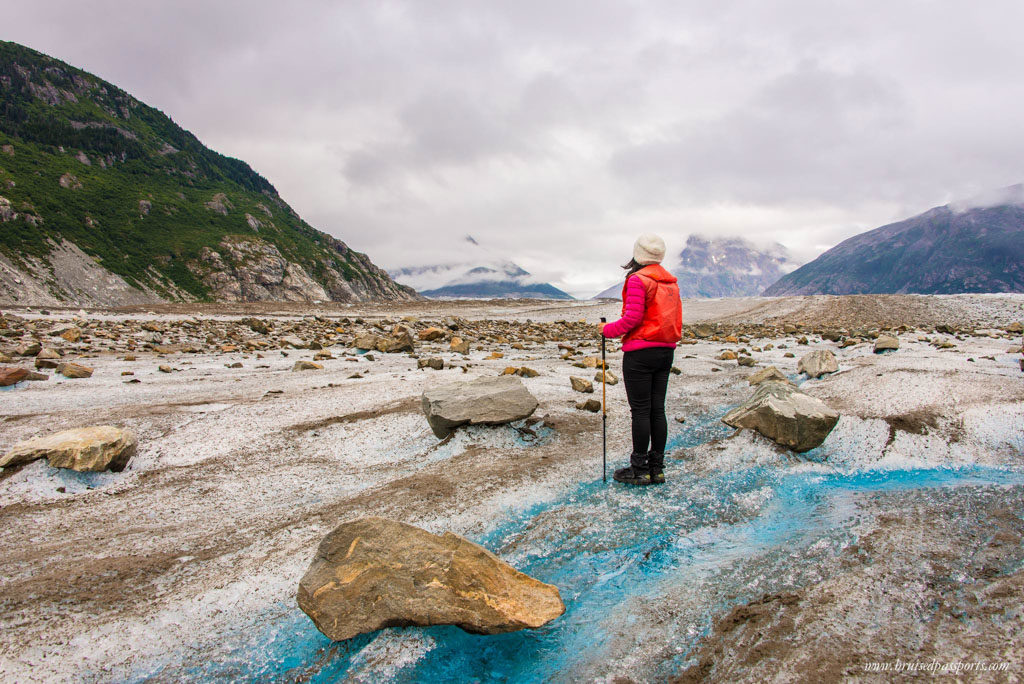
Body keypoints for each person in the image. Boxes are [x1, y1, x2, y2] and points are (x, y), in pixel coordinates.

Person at [600, 233, 682, 486]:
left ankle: (639, 469)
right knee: (658, 409)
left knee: (641, 411)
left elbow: (631, 319)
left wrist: (606, 331)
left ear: (638, 254)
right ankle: (656, 468)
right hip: (665, 351)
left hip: (640, 353)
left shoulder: (638, 280)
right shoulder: (671, 282)